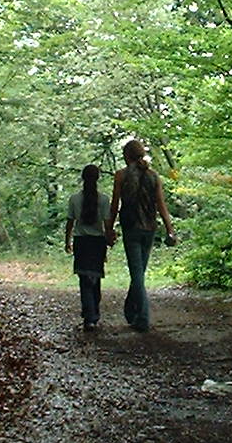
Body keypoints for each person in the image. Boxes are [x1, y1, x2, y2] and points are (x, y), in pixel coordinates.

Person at [107, 139, 175, 332]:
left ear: (126, 156)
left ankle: (143, 318)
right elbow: (161, 205)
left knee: (137, 274)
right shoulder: (154, 176)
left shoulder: (121, 175)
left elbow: (114, 205)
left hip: (131, 229)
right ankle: (130, 310)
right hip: (150, 229)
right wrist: (170, 229)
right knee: (139, 273)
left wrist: (109, 228)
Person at [65, 164, 110, 332]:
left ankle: (89, 316)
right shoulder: (104, 200)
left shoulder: (74, 199)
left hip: (81, 242)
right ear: (98, 178)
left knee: (84, 280)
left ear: (82, 178)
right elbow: (107, 225)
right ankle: (93, 314)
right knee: (95, 279)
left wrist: (67, 242)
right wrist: (108, 241)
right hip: (97, 243)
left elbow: (70, 223)